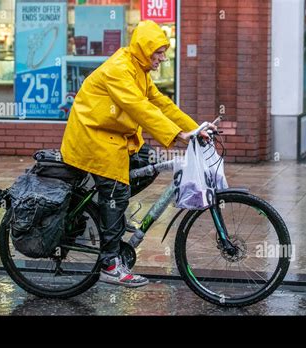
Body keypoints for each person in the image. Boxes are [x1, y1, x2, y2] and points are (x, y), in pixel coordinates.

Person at [61, 20, 212, 287]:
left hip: (115, 134)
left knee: (146, 161)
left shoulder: (139, 69)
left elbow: (160, 103)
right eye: (158, 52)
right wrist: (177, 135)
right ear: (143, 50)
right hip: (94, 136)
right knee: (117, 192)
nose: (163, 58)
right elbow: (139, 107)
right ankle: (109, 264)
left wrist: (194, 128)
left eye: (164, 52)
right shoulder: (120, 69)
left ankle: (110, 215)